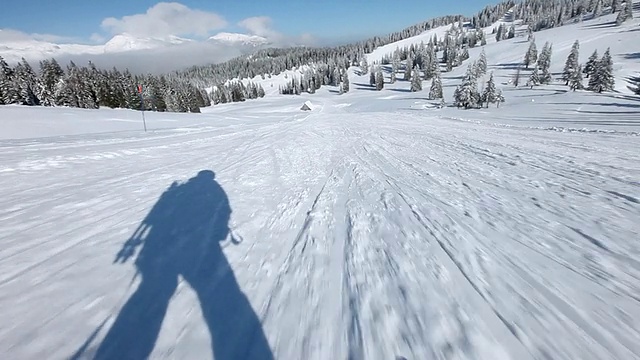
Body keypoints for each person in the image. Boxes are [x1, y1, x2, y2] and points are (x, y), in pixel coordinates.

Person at [95, 170, 273, 360]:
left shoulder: (183, 189)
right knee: (220, 296)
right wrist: (220, 231)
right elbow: (224, 210)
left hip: (173, 244)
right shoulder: (214, 189)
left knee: (153, 292)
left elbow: (160, 213)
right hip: (201, 245)